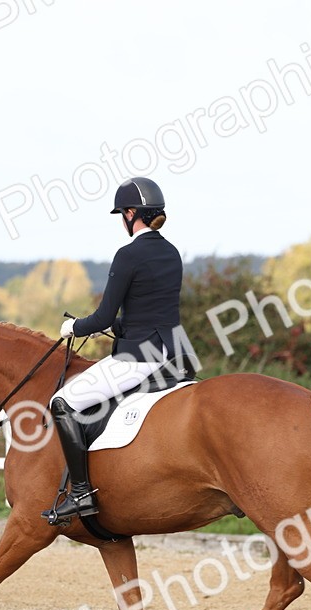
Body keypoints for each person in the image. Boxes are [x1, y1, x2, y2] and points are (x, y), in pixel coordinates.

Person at [44, 177, 197, 523]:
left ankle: (81, 492)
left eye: (122, 215)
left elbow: (102, 317)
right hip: (174, 356)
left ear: (131, 214)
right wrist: (122, 328)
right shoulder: (171, 253)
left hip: (137, 359)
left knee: (62, 403)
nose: (122, 221)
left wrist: (74, 327)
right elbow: (154, 309)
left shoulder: (128, 255)